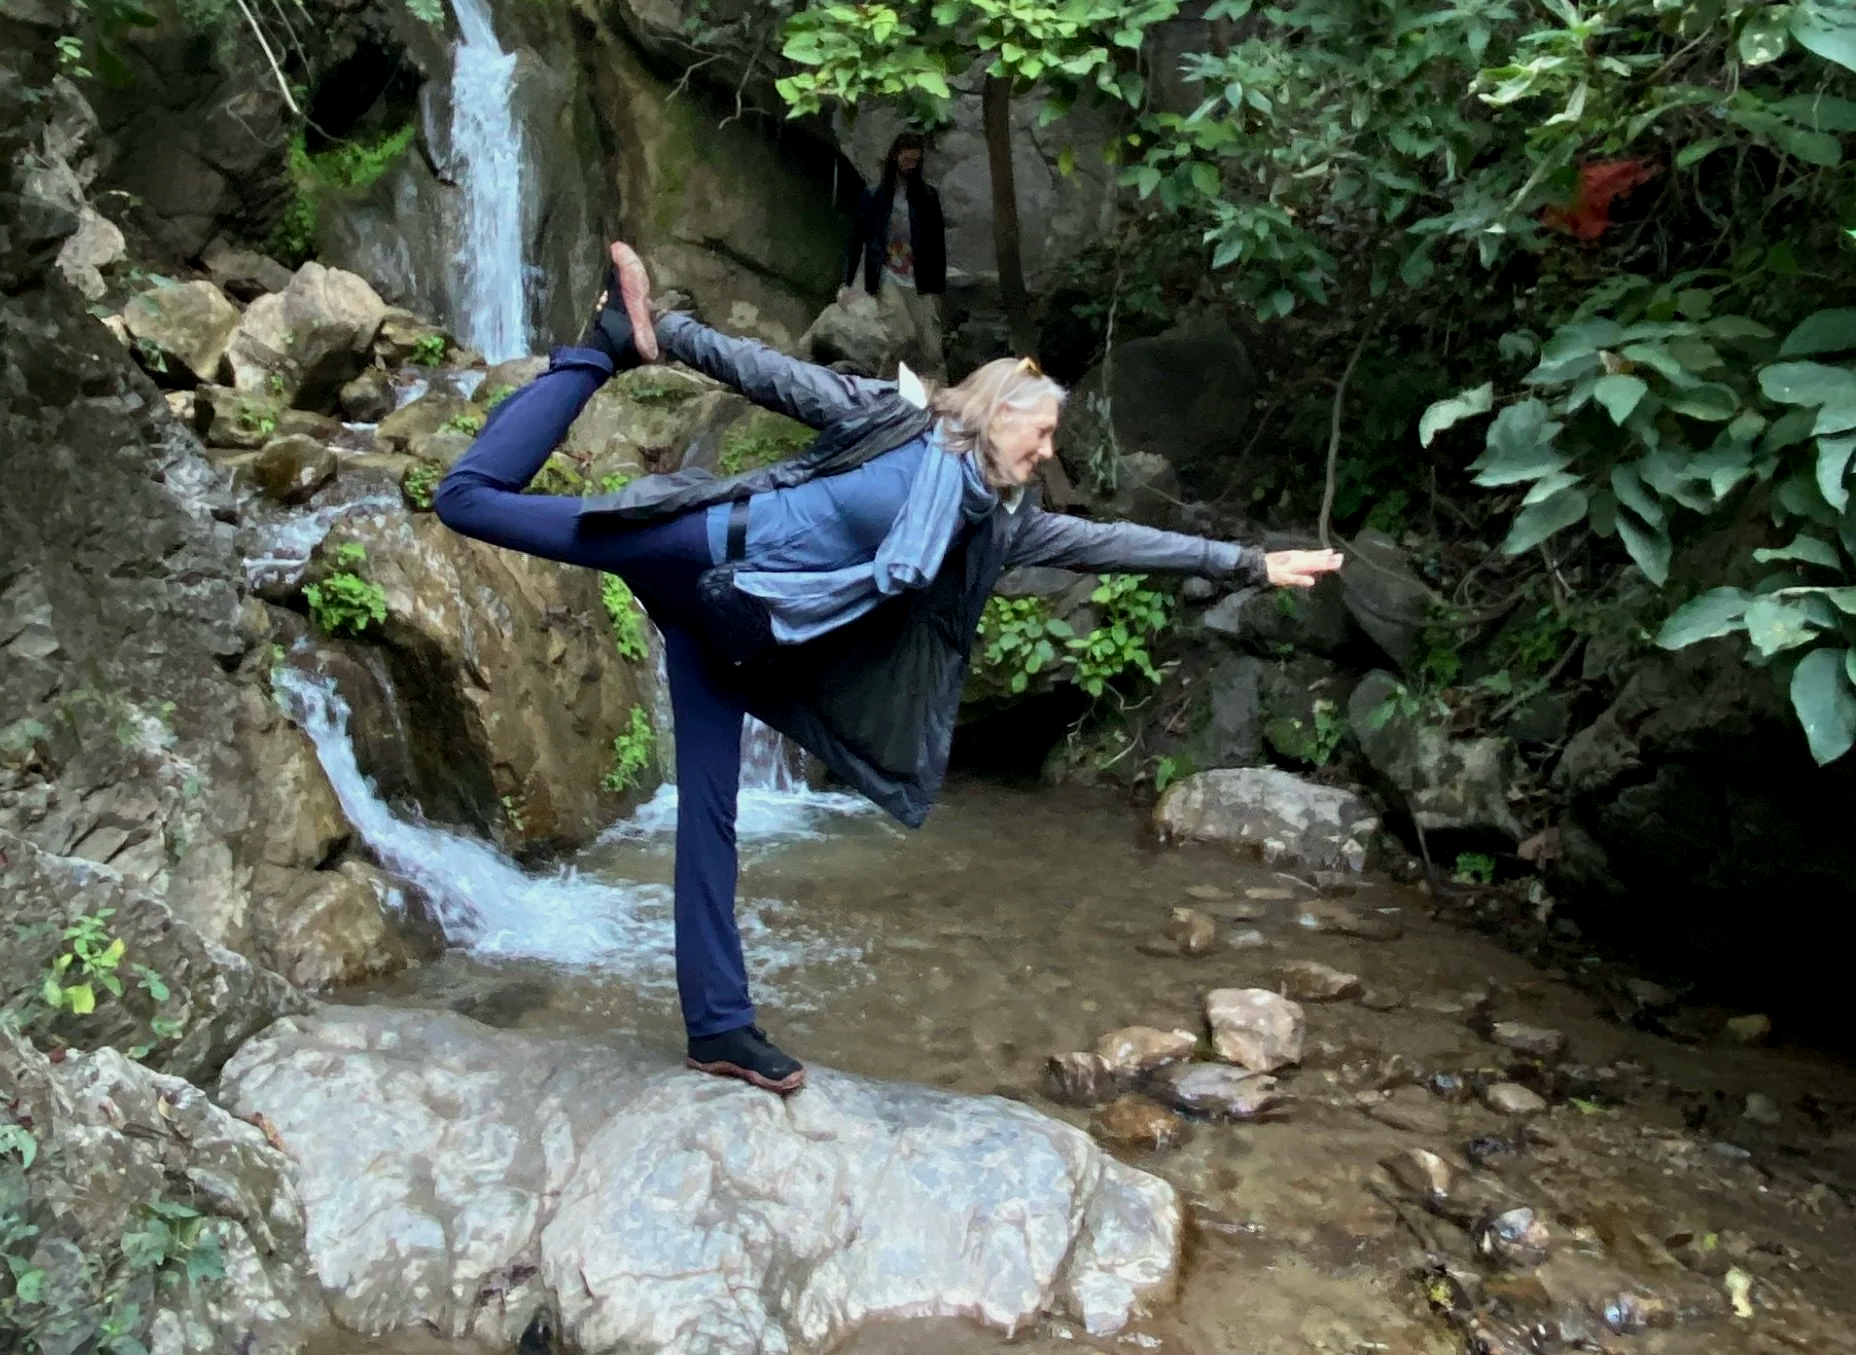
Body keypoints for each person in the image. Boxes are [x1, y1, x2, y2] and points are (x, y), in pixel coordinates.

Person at [436, 243, 1342, 1096]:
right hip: (688, 548)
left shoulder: (999, 522)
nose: (1051, 453)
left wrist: (1247, 564)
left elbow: (1112, 542)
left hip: (740, 623)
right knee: (469, 500)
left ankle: (718, 1026)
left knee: (710, 811)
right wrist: (658, 336)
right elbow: (770, 374)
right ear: (999, 413)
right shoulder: (891, 422)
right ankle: (592, 353)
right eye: (1046, 433)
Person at [840, 131, 946, 375]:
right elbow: (856, 241)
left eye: (915, 161)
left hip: (918, 277)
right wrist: (846, 283)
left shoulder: (927, 197)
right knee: (902, 334)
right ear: (896, 156)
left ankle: (911, 384)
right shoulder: (873, 195)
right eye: (907, 160)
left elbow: (937, 243)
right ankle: (888, 385)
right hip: (886, 274)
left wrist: (937, 286)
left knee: (931, 346)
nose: (911, 166)